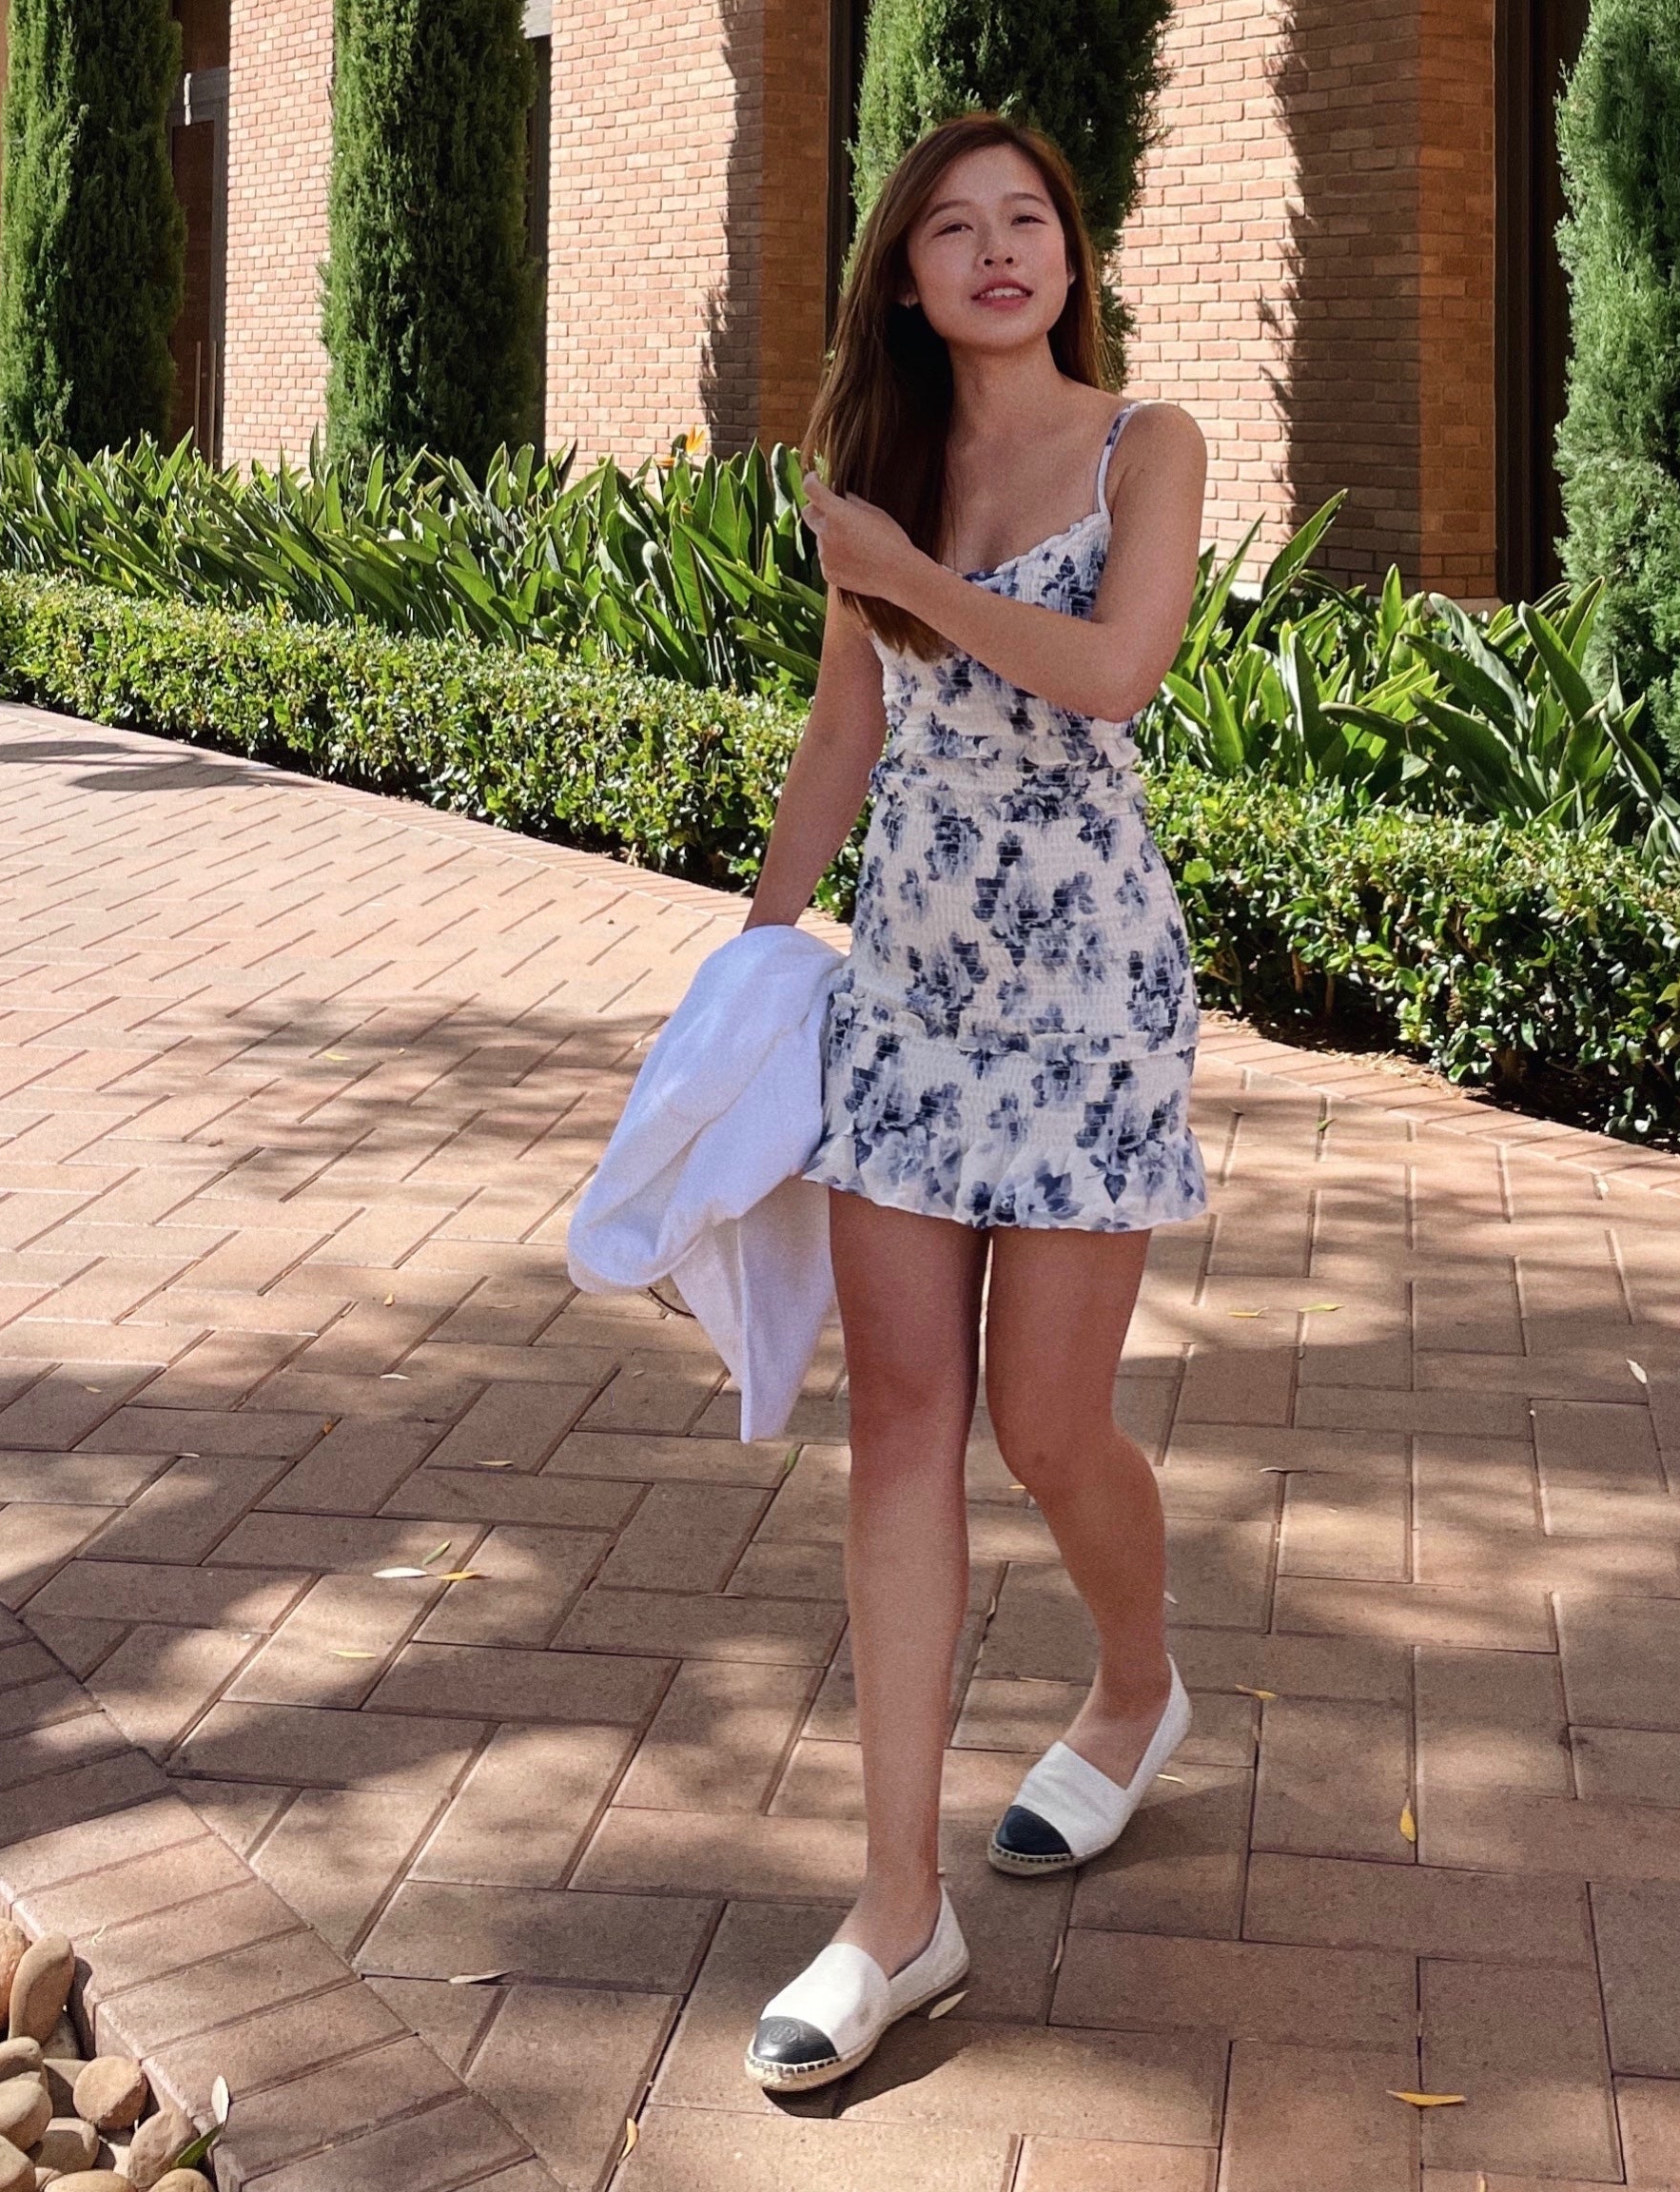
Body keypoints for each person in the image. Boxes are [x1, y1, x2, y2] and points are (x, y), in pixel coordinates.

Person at [737, 109, 1211, 2095]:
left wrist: (909, 573)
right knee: (901, 1425)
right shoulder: (883, 471)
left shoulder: (1143, 446)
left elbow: (1116, 671)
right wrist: (755, 955)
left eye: (1029, 221)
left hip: (1094, 987)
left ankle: (1133, 1689)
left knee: (1047, 1423)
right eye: (956, 228)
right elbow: (852, 722)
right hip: (913, 989)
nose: (1000, 251)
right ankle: (894, 1906)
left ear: (1068, 256)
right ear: (908, 278)